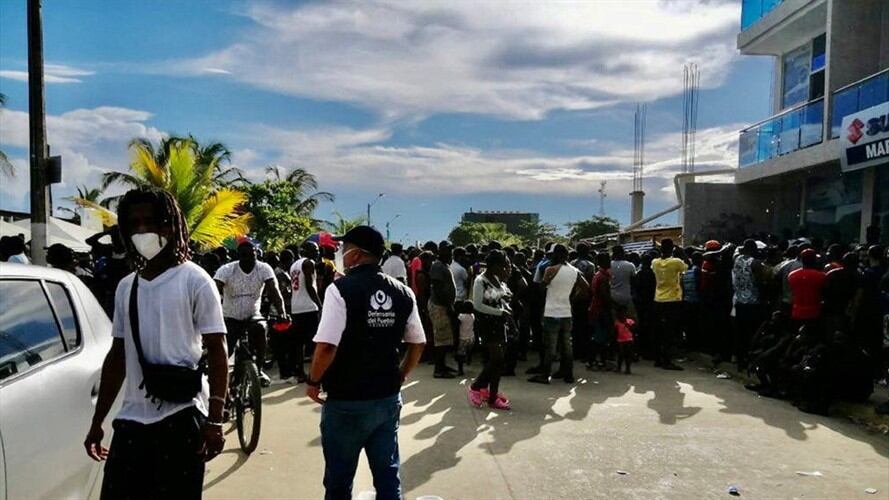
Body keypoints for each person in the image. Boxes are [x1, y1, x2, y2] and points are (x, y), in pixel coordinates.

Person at [83, 187, 229, 499]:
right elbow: (118, 355)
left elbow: (217, 350)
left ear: (170, 225)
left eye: (150, 221)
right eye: (133, 224)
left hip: (181, 417)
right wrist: (98, 422)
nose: (142, 230)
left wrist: (215, 419)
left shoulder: (195, 280)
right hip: (131, 422)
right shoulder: (127, 287)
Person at [305, 226, 425, 500]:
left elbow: (326, 346)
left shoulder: (340, 290)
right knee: (387, 477)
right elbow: (418, 343)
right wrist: (401, 375)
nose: (340, 254)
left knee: (338, 481)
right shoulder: (403, 292)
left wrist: (313, 382)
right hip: (386, 398)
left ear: (356, 254)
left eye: (343, 248)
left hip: (346, 401)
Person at [215, 241, 288, 387]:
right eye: (244, 256)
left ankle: (259, 369)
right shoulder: (226, 270)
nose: (249, 259)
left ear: (256, 254)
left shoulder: (264, 268)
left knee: (261, 329)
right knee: (224, 352)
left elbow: (274, 291)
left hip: (253, 315)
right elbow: (214, 293)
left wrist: (282, 312)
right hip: (230, 317)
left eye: (252, 255)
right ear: (237, 256)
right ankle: (220, 381)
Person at [529, 244, 589, 384]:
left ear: (555, 255)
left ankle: (545, 375)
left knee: (550, 346)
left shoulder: (550, 269)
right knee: (567, 345)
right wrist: (571, 298)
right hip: (566, 311)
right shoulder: (575, 271)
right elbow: (586, 287)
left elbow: (542, 288)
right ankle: (568, 374)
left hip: (551, 311)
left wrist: (547, 281)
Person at [468, 250, 513, 409]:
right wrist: (500, 312)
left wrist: (504, 300)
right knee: (497, 359)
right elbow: (478, 305)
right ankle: (476, 387)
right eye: (503, 266)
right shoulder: (480, 280)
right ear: (493, 266)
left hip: (499, 323)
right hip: (487, 324)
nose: (505, 270)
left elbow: (496, 298)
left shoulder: (496, 279)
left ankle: (492, 396)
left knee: (498, 363)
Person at [651, 239, 687, 370]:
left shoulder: (654, 262)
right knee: (670, 331)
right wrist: (682, 253)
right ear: (672, 248)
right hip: (672, 300)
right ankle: (667, 360)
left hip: (658, 299)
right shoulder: (676, 262)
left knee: (659, 331)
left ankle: (658, 359)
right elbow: (686, 267)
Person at [290, 241, 323, 382]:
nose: (317, 252)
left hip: (296, 307)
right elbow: (310, 287)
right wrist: (320, 305)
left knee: (298, 343)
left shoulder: (294, 264)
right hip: (309, 307)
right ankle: (316, 373)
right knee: (315, 341)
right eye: (314, 250)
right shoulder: (308, 263)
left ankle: (300, 372)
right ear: (307, 251)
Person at [732, 239, 765, 370]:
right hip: (753, 302)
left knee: (740, 333)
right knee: (752, 333)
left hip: (739, 300)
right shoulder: (755, 263)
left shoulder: (737, 259)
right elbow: (760, 281)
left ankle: (740, 360)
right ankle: (748, 360)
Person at [428, 241, 458, 378]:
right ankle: (438, 370)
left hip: (444, 305)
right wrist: (448, 305)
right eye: (447, 250)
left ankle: (443, 365)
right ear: (441, 251)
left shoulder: (445, 265)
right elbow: (438, 288)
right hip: (439, 305)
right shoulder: (437, 266)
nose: (450, 253)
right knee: (441, 339)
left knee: (445, 338)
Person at [787, 248, 827, 332]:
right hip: (815, 312)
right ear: (814, 260)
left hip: (797, 312)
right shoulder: (821, 276)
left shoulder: (792, 275)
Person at [587, 252, 613, 370]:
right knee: (600, 337)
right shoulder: (602, 276)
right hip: (600, 309)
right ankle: (593, 360)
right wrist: (612, 307)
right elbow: (604, 296)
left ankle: (600, 360)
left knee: (599, 336)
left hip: (596, 307)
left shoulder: (598, 274)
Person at [455, 299, 475, 376]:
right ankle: (469, 358)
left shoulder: (461, 316)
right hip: (471, 337)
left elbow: (457, 324)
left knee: (460, 354)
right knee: (468, 350)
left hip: (463, 338)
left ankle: (460, 370)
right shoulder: (473, 316)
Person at [614, 305, 635, 375]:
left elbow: (634, 329)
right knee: (620, 354)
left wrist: (629, 326)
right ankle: (619, 367)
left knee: (628, 354)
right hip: (620, 340)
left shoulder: (630, 321)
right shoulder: (617, 322)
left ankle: (628, 368)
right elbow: (615, 331)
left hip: (629, 339)